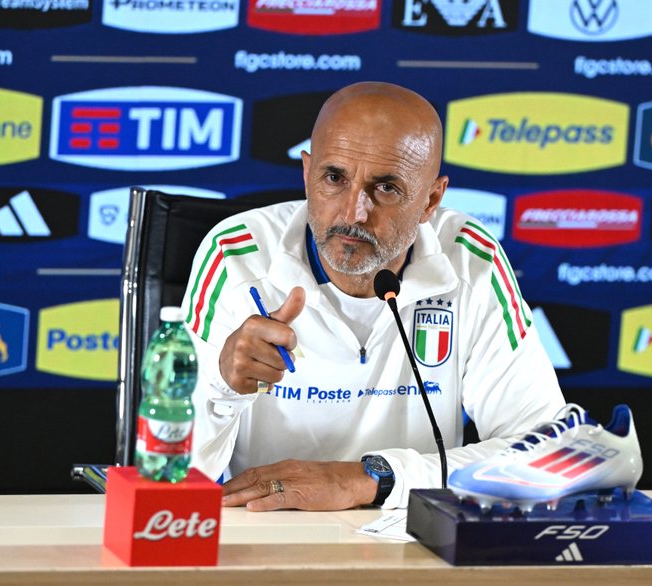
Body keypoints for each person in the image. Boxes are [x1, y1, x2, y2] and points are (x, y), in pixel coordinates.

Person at [181, 81, 564, 511]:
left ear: (431, 200)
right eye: (334, 178)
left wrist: (368, 479)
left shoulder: (471, 261)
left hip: (413, 536)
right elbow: (170, 477)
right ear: (307, 174)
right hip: (266, 530)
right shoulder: (236, 256)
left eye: (385, 188)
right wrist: (221, 387)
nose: (353, 213)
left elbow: (548, 455)